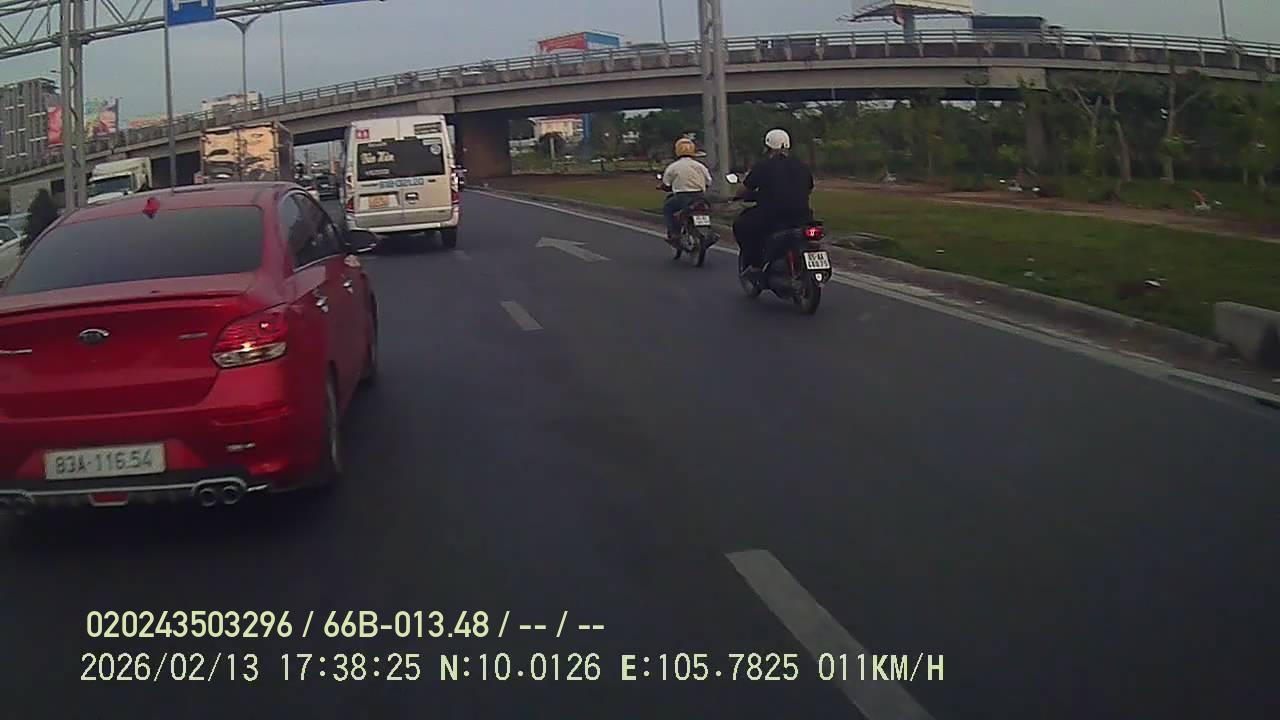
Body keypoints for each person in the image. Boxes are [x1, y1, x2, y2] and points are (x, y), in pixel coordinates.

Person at [732, 129, 815, 273]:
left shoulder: (763, 166)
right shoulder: (802, 166)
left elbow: (743, 189)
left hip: (772, 217)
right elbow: (809, 187)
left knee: (741, 225)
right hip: (803, 216)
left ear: (767, 147)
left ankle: (754, 264)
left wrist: (738, 196)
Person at [660, 138, 712, 241]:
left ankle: (674, 233)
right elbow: (709, 182)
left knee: (667, 209)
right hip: (700, 197)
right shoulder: (700, 166)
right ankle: (708, 232)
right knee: (706, 210)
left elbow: (666, 183)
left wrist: (663, 187)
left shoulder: (673, 166)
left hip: (681, 197)